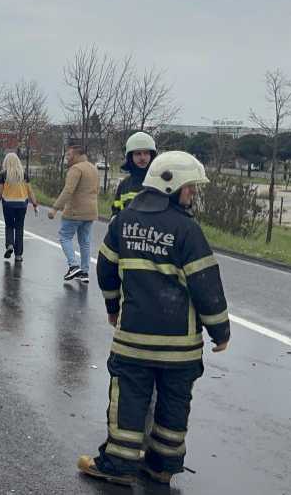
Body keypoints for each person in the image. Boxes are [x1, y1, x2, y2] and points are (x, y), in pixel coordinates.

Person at [78, 151, 230, 487]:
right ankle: (162, 464)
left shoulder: (123, 222)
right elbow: (206, 284)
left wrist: (112, 308)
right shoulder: (187, 230)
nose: (192, 193)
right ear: (170, 185)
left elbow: (104, 268)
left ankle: (118, 465)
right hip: (180, 348)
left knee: (129, 400)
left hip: (133, 341)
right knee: (174, 404)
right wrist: (220, 331)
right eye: (189, 188)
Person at [48, 145, 99, 282]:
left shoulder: (76, 169)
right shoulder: (93, 168)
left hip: (75, 211)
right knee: (85, 242)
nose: (67, 158)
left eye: (69, 155)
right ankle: (84, 272)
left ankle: (73, 266)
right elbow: (96, 190)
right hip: (91, 211)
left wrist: (55, 208)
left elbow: (68, 190)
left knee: (65, 237)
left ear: (77, 155)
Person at [0, 153, 39, 262]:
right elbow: (30, 191)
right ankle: (18, 255)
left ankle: (10, 245)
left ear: (6, 162)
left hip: (8, 204)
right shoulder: (24, 174)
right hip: (22, 204)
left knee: (9, 226)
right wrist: (35, 204)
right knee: (19, 228)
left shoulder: (3, 174)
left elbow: (0, 192)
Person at [112, 131, 157, 217]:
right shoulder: (124, 184)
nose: (142, 158)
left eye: (146, 153)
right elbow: (116, 211)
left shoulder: (159, 183)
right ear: (130, 157)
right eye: (138, 154)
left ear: (152, 156)